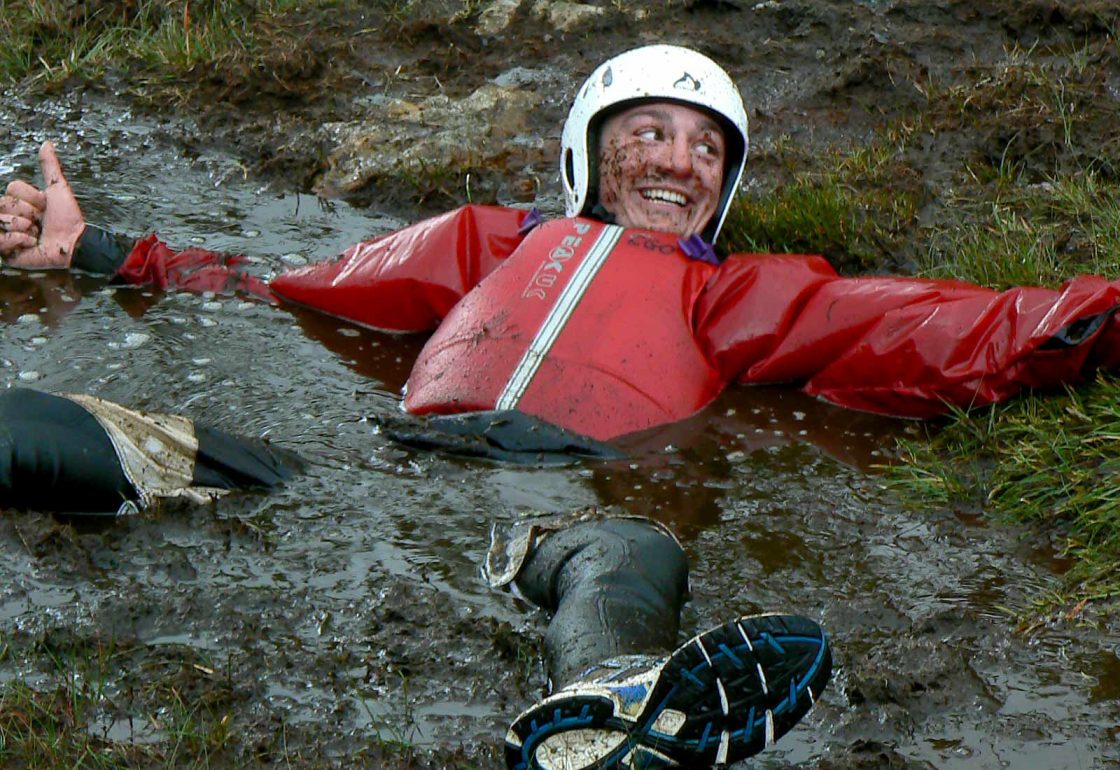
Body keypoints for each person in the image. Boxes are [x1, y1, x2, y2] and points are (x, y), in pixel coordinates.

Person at [30, 38, 1120, 766]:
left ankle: (608, 707)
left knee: (628, 554)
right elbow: (286, 284)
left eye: (704, 150)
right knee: (72, 428)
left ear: (722, 189)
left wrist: (1103, 316)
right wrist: (96, 250)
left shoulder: (740, 291)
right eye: (650, 132)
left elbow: (938, 327)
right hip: (390, 461)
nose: (678, 161)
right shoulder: (483, 242)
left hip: (562, 499)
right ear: (590, 151)